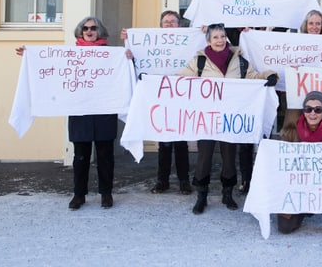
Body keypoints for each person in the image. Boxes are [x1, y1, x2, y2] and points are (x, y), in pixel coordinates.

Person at [16, 16, 122, 210]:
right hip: (79, 111)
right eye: (85, 28)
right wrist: (30, 56)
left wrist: (129, 56)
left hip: (104, 111)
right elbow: (49, 64)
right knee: (80, 156)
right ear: (80, 32)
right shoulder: (70, 54)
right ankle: (78, 194)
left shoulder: (112, 54)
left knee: (105, 155)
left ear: (100, 31)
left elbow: (127, 70)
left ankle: (106, 193)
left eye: (93, 28)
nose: (89, 31)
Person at [178, 23, 278, 215]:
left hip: (231, 118)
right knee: (204, 156)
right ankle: (202, 195)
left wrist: (270, 76)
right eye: (215, 37)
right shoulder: (199, 62)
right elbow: (179, 79)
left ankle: (227, 193)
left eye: (222, 36)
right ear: (208, 40)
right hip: (207, 118)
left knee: (229, 156)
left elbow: (254, 76)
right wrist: (152, 80)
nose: (220, 40)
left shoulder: (238, 61)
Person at [122, 11, 192, 195]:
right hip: (159, 97)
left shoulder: (189, 41)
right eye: (166, 22)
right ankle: (163, 180)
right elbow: (138, 62)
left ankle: (184, 181)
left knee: (180, 143)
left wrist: (202, 32)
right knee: (164, 142)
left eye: (173, 21)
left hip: (181, 96)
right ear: (161, 25)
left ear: (179, 25)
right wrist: (129, 44)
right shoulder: (151, 41)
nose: (169, 24)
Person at [277, 91, 322, 239]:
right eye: (308, 109)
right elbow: (279, 162)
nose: (312, 113)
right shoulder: (290, 133)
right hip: (296, 188)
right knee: (285, 227)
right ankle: (303, 209)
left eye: (318, 109)